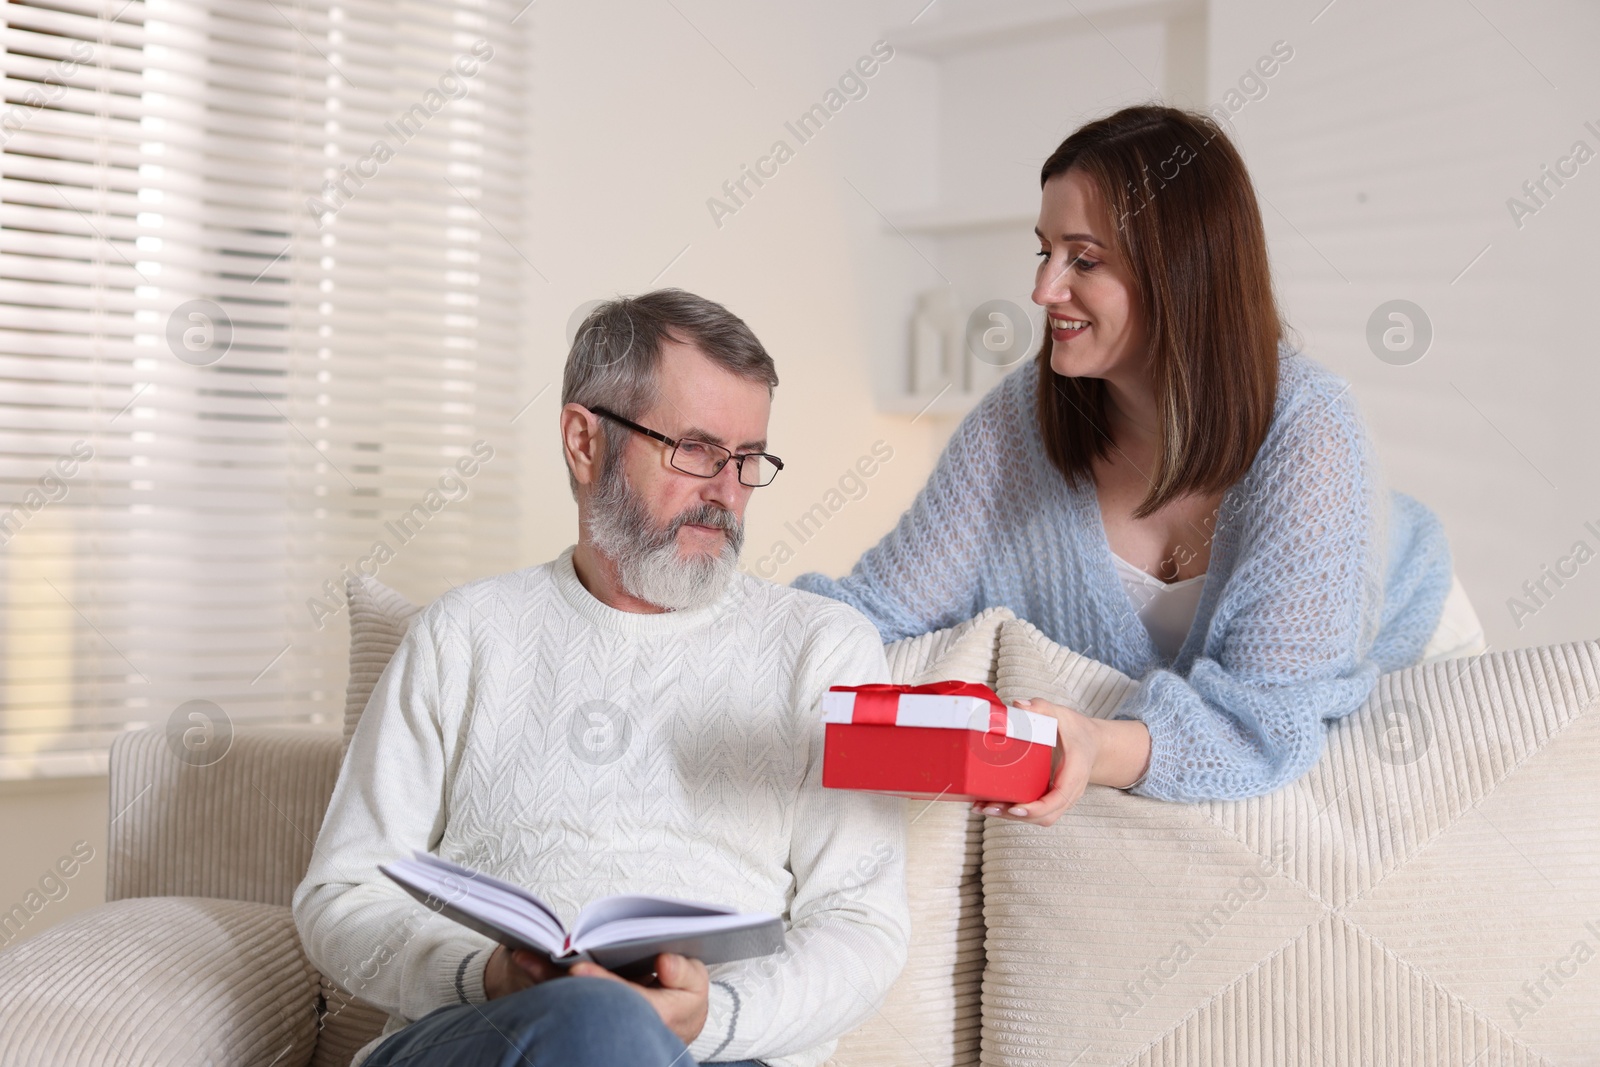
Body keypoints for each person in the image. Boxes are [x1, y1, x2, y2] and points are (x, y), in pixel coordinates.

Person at [795, 105, 1470, 818]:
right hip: (1212, 721)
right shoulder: (1017, 421)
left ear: (1183, 272)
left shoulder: (1310, 431)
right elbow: (879, 609)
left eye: (1083, 259)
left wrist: (1099, 744)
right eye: (1043, 251)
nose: (1043, 290)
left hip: (1387, 659)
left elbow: (1267, 721)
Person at [293, 289, 909, 1067]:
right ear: (584, 442)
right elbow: (339, 896)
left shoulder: (823, 650)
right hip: (481, 1042)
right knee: (591, 1021)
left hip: (714, 1056)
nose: (726, 492)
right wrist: (485, 975)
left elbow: (862, 922)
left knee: (615, 1033)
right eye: (695, 450)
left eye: (749, 460)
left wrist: (709, 1017)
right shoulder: (464, 635)